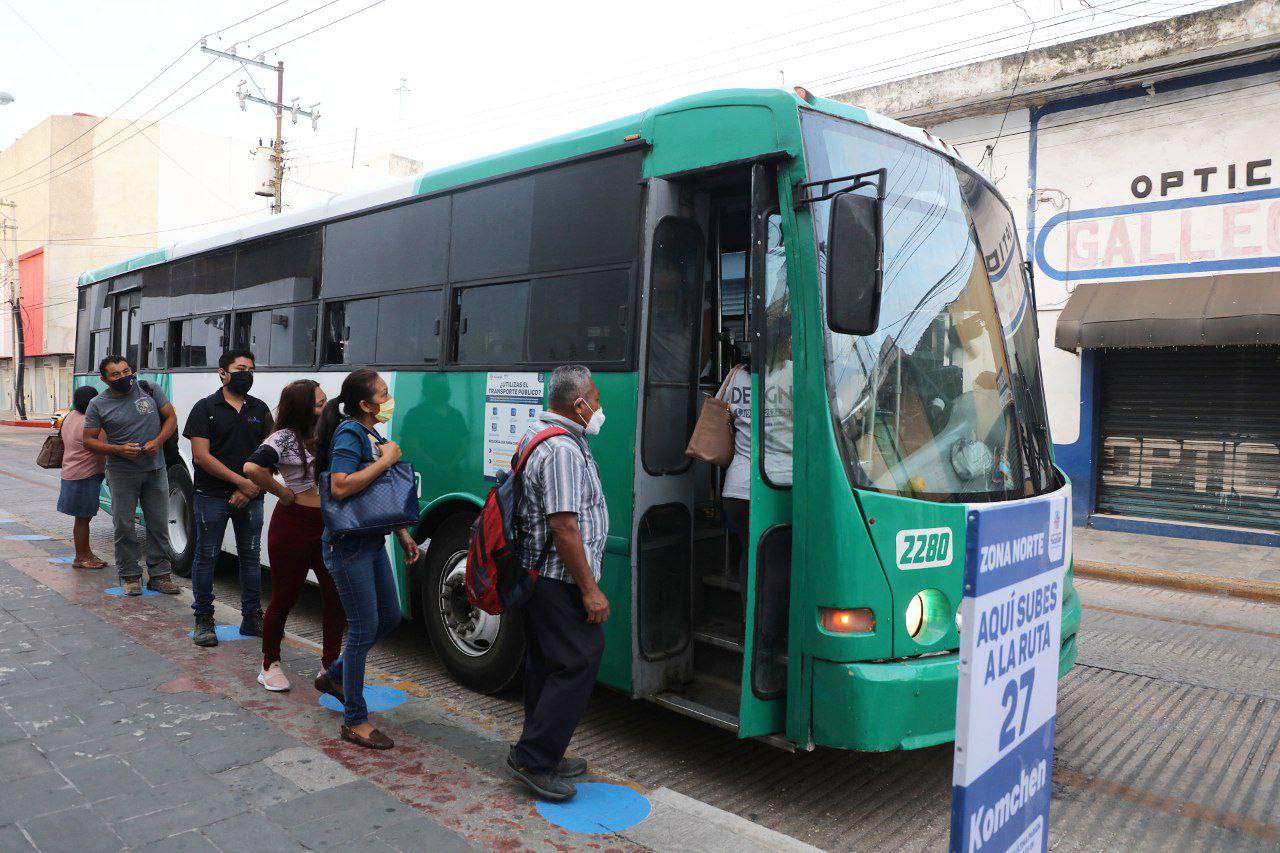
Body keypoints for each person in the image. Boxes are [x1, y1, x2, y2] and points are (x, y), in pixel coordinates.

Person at [507, 364, 609, 803]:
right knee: (579, 661)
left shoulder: (543, 436)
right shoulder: (562, 449)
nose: (601, 406)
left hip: (540, 577)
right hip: (557, 579)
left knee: (546, 664)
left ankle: (540, 749)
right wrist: (590, 588)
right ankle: (534, 758)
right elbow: (565, 527)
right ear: (579, 404)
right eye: (597, 398)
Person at [313, 368, 419, 749]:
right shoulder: (350, 433)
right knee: (362, 628)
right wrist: (386, 460)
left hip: (370, 541)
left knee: (389, 617)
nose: (388, 399)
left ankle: (335, 676)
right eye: (383, 393)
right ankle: (354, 720)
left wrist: (403, 533)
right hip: (348, 545)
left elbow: (380, 496)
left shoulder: (371, 433)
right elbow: (340, 486)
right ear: (364, 404)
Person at [243, 379, 346, 693]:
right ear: (301, 407)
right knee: (284, 597)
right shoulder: (283, 438)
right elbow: (251, 467)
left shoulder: (330, 432)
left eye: (325, 402)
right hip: (293, 524)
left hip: (328, 524)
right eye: (318, 403)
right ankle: (269, 664)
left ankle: (330, 666)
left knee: (335, 596)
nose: (324, 408)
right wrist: (281, 492)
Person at [183, 350, 273, 647]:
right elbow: (201, 457)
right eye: (239, 368)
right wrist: (240, 483)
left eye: (250, 368)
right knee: (206, 556)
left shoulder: (259, 410)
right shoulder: (205, 408)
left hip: (251, 497)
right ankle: (204, 619)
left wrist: (251, 488)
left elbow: (272, 454)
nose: (246, 373)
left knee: (250, 557)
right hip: (211, 496)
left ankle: (252, 617)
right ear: (222, 373)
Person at [81, 356, 181, 597]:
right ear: (104, 379)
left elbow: (171, 418)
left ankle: (160, 575)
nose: (124, 377)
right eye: (115, 374)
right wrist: (118, 449)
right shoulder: (97, 404)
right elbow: (88, 440)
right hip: (121, 472)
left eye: (126, 371)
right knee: (124, 526)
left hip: (155, 469)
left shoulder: (149, 389)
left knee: (158, 524)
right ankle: (130, 575)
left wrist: (157, 442)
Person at [57, 385, 107, 569]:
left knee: (82, 517)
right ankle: (81, 557)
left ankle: (86, 553)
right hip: (85, 474)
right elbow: (103, 449)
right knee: (83, 518)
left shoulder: (70, 416)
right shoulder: (90, 422)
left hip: (71, 471)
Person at [721, 359, 752, 615]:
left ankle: (748, 619)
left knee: (748, 553)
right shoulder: (790, 374)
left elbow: (723, 412)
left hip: (734, 487)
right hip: (773, 485)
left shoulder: (737, 375)